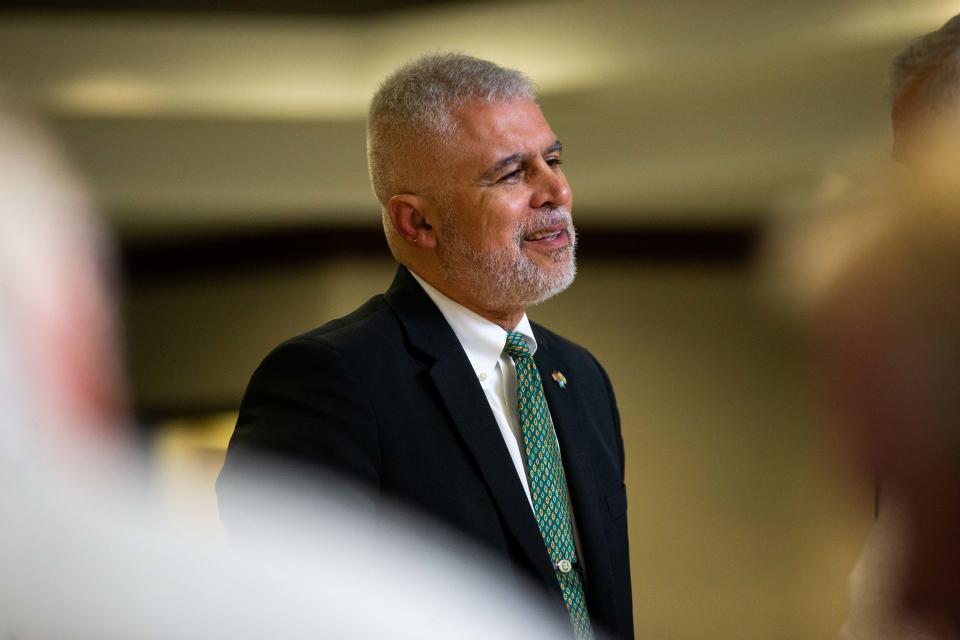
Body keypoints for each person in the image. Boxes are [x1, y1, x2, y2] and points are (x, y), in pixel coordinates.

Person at [217, 53, 633, 640]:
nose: (557, 190)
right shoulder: (329, 381)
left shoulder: (580, 376)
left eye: (555, 160)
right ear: (417, 223)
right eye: (513, 174)